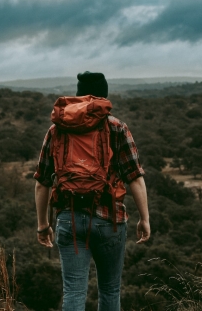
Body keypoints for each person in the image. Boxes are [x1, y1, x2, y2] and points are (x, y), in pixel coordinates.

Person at [33, 71, 150, 311]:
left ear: (79, 95)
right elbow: (135, 178)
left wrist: (43, 225)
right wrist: (145, 218)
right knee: (110, 289)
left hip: (69, 218)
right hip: (110, 220)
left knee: (74, 291)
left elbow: (42, 182)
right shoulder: (116, 127)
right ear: (104, 95)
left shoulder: (56, 130)